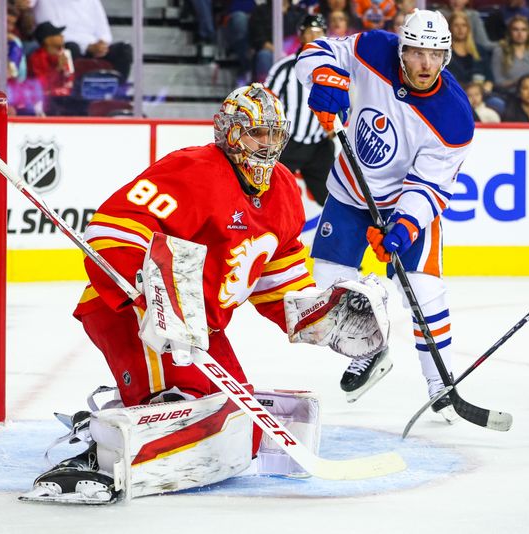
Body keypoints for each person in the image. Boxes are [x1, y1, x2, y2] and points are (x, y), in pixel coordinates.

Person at [20, 83, 391, 503]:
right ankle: (90, 452)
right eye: (256, 132)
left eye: (273, 133)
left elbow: (279, 284)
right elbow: (113, 229)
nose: (267, 144)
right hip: (134, 316)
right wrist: (152, 292)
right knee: (179, 409)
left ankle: (114, 415)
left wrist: (325, 314)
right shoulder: (194, 171)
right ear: (231, 134)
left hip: (200, 329)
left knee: (241, 429)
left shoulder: (285, 190)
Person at [295, 8, 474, 417]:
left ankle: (438, 383)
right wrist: (323, 75)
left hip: (402, 202)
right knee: (329, 288)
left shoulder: (454, 117)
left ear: (446, 55)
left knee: (424, 292)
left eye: (435, 54)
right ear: (401, 48)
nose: (425, 64)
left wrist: (405, 225)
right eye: (416, 53)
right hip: (348, 192)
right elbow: (315, 51)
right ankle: (370, 350)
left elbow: (430, 185)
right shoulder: (375, 48)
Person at [265, 14, 335, 206]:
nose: (314, 37)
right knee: (270, 195)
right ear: (301, 36)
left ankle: (338, 234)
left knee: (334, 198)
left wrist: (337, 125)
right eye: (309, 33)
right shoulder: (285, 67)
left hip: (319, 144)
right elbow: (265, 101)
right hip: (288, 144)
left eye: (319, 33)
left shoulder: (335, 68)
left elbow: (346, 99)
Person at [32, 0, 131, 83]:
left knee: (124, 49)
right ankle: (73, 94)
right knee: (71, 48)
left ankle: (118, 92)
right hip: (70, 46)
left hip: (94, 48)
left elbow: (105, 33)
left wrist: (102, 45)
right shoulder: (46, 2)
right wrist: (86, 46)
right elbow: (50, 34)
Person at [26, 21, 75, 115]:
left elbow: (70, 80)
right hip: (45, 99)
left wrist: (66, 70)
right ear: (47, 40)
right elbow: (42, 85)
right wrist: (58, 68)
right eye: (58, 34)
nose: (62, 36)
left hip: (64, 96)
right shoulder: (37, 57)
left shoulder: (63, 54)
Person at [490, 15, 529, 98]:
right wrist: (518, 82)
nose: (520, 33)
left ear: (528, 33)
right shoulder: (500, 51)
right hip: (507, 96)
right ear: (510, 32)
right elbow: (497, 82)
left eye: (523, 30)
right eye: (516, 29)